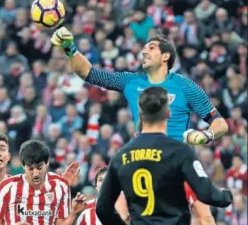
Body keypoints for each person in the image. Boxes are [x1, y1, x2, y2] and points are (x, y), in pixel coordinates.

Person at [95, 86, 233, 225]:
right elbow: (207, 198)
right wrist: (227, 196)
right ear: (168, 113)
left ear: (140, 114)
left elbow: (104, 209)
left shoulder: (121, 157)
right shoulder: (179, 152)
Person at [51, 29, 228, 144]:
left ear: (165, 56)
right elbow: (89, 73)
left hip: (176, 162)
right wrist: (70, 48)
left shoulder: (185, 86)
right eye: (144, 48)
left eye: (151, 48)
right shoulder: (130, 82)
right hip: (141, 158)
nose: (144, 52)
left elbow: (219, 122)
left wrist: (206, 135)